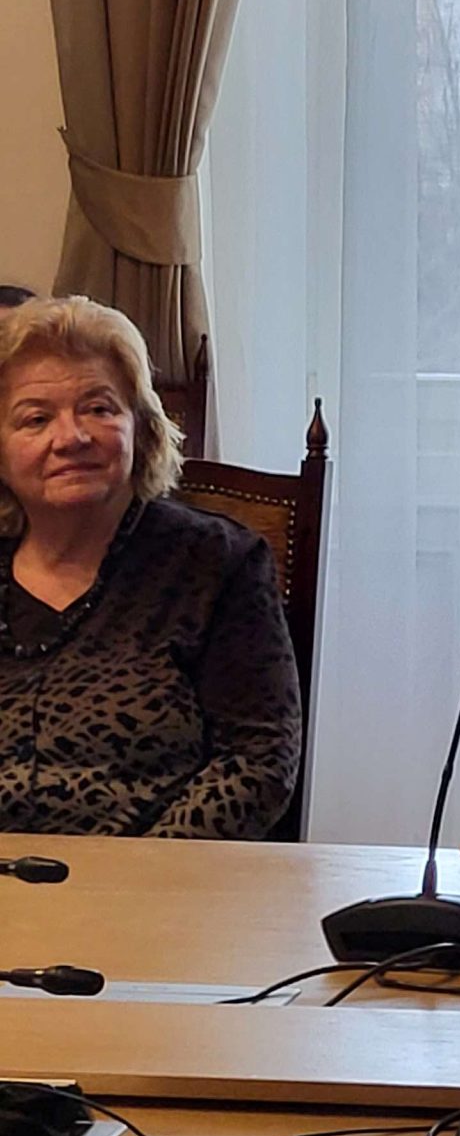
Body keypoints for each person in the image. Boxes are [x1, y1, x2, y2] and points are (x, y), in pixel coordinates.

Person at [0, 296, 302, 838]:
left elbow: (258, 761)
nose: (71, 437)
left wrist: (143, 869)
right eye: (36, 419)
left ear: (142, 428)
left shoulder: (217, 562)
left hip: (152, 876)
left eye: (99, 409)